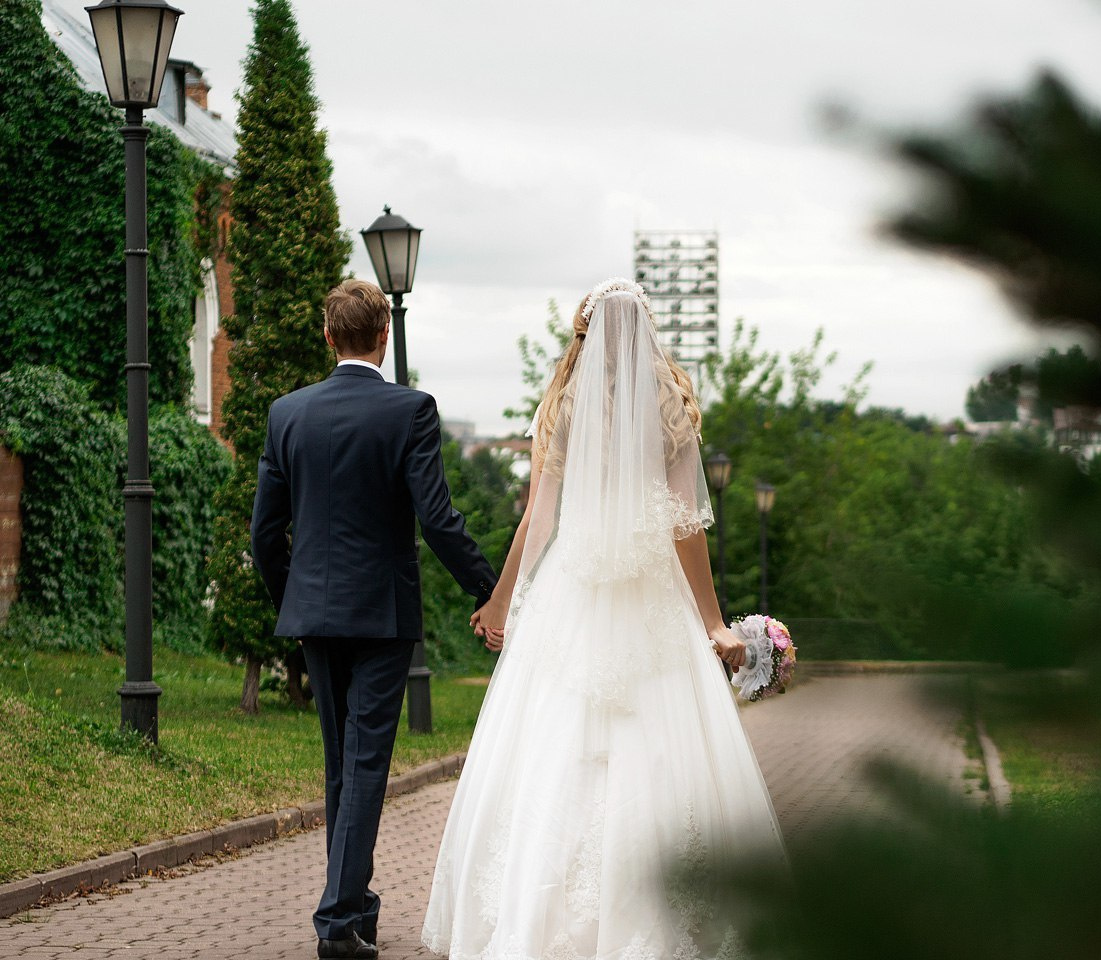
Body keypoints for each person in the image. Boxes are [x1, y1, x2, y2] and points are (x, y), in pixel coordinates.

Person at [422, 278, 786, 960]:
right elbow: (685, 526)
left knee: (556, 740)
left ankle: (541, 921)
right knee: (659, 737)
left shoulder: (560, 405)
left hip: (575, 587)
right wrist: (713, 622)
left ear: (584, 336)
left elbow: (538, 519)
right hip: (651, 591)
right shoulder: (671, 405)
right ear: (647, 334)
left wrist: (502, 598)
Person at [251, 278, 498, 960]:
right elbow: (437, 519)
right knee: (363, 765)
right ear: (384, 337)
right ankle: (338, 921)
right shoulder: (410, 410)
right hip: (383, 616)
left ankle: (355, 907)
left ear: (328, 335)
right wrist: (488, 588)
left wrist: (294, 598)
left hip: (315, 614)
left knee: (343, 765)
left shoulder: (287, 414)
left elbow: (264, 535)